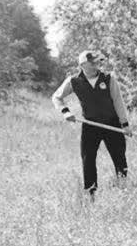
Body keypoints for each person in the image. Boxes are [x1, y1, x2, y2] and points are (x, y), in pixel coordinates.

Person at [51, 50, 131, 194]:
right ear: (83, 65)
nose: (96, 65)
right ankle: (91, 193)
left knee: (120, 158)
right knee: (88, 160)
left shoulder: (108, 79)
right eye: (92, 63)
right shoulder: (73, 81)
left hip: (112, 124)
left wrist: (124, 124)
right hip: (90, 125)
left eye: (98, 62)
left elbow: (118, 102)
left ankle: (122, 190)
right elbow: (56, 97)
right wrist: (65, 111)